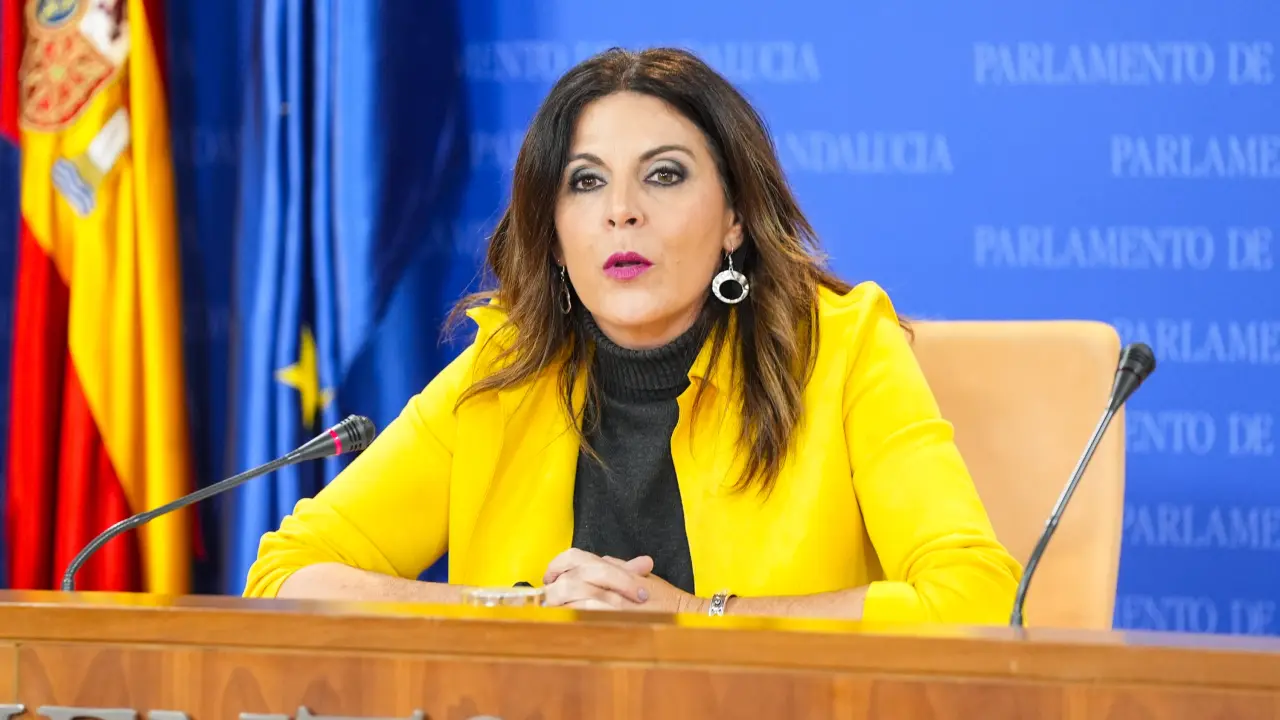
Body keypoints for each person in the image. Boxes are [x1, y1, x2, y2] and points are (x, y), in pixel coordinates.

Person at [243, 47, 1023, 623]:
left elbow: (976, 599)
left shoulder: (844, 351)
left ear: (735, 219)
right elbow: (286, 576)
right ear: (554, 235)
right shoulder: (503, 373)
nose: (622, 210)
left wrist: (694, 615)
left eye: (664, 174)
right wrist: (524, 609)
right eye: (586, 182)